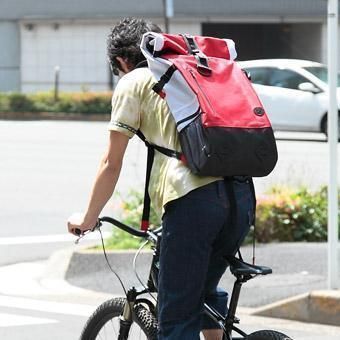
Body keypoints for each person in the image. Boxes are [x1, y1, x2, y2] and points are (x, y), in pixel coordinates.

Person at [67, 17, 255, 340]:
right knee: (203, 290)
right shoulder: (191, 71)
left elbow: (111, 163)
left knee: (176, 320)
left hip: (193, 205)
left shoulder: (135, 81)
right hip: (241, 198)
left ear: (121, 61)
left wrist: (88, 217)